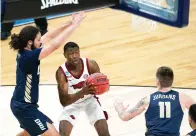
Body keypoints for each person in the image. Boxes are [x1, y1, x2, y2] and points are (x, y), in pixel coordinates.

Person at [9, 12, 85, 136]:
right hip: (24, 108)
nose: (40, 41)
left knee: (27, 133)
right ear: (29, 42)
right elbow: (54, 45)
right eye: (38, 40)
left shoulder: (28, 49)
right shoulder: (29, 56)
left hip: (23, 105)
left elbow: (49, 37)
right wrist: (74, 26)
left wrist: (69, 23)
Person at [113, 66, 195, 136]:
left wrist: (119, 107)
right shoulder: (183, 98)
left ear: (157, 81)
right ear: (172, 81)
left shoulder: (147, 99)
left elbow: (124, 117)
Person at [55, 42, 110, 136]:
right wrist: (82, 92)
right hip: (72, 104)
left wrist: (104, 86)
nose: (74, 56)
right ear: (65, 55)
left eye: (76, 52)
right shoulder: (61, 72)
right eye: (70, 54)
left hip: (90, 101)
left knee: (104, 133)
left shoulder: (90, 64)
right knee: (63, 134)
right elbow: (64, 101)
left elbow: (106, 86)